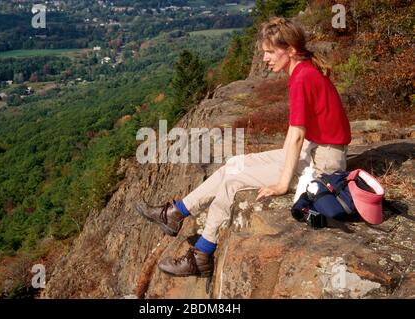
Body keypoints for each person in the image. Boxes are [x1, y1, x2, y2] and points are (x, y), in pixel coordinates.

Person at [135, 17, 351, 277]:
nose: (265, 59)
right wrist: (282, 163)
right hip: (314, 149)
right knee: (234, 164)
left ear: (291, 49)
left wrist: (283, 182)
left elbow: (295, 135)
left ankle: (202, 254)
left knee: (233, 181)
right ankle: (176, 212)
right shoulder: (302, 71)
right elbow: (296, 136)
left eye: (270, 52)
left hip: (323, 162)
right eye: (264, 52)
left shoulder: (303, 77)